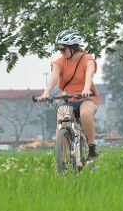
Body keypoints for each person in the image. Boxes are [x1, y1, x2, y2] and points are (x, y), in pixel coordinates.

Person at [38, 29, 101, 159]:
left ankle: (92, 147)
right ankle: (61, 157)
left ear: (73, 47)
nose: (61, 52)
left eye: (63, 49)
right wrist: (46, 92)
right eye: (59, 50)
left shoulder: (87, 59)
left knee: (85, 114)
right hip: (68, 98)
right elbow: (54, 78)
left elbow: (89, 75)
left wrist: (86, 88)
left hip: (86, 97)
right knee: (62, 119)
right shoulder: (59, 62)